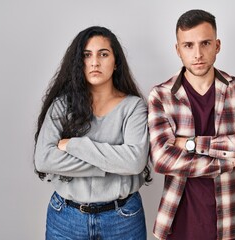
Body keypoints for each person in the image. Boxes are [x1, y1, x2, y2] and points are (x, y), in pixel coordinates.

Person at [148, 9, 235, 240]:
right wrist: (226, 159)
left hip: (231, 216)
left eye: (205, 43)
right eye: (188, 45)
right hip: (180, 219)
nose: (198, 54)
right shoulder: (161, 95)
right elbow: (162, 159)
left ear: (217, 45)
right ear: (178, 50)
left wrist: (190, 144)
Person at [34, 26, 150, 240]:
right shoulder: (62, 105)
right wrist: (113, 163)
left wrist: (73, 145)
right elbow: (43, 160)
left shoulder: (133, 107)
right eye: (87, 55)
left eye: (103, 54)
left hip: (122, 218)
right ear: (79, 62)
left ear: (116, 62)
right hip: (66, 217)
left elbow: (134, 162)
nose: (95, 62)